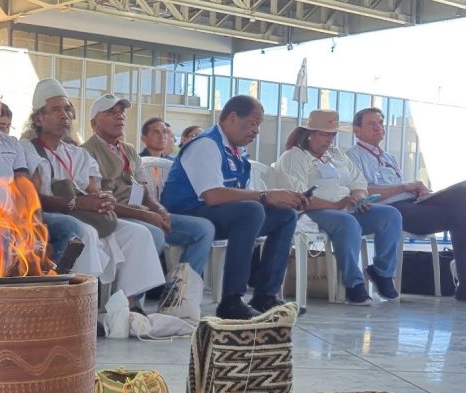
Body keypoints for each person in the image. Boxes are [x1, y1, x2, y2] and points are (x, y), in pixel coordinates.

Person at [23, 79, 164, 312]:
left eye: (67, 109)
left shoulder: (76, 154)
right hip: (51, 215)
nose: (64, 115)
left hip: (83, 213)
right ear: (38, 118)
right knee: (85, 233)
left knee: (138, 233)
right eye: (56, 110)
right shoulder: (28, 149)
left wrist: (103, 200)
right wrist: (78, 202)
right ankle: (83, 308)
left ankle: (127, 306)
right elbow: (34, 199)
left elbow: (93, 192)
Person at [161, 95, 303, 319]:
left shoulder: (236, 151)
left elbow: (245, 194)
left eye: (259, 125)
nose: (257, 131)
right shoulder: (206, 144)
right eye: (253, 123)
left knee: (285, 214)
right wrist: (266, 196)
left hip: (221, 215)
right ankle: (231, 300)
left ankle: (265, 295)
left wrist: (278, 199)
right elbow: (213, 195)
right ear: (233, 118)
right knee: (252, 211)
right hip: (188, 213)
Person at [0, 75, 87, 266]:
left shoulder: (11, 143)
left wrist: (33, 224)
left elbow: (24, 188)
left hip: (14, 217)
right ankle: (13, 282)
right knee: (4, 238)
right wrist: (7, 221)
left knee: (70, 226)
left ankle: (51, 278)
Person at [275, 109, 402, 304]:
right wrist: (336, 204)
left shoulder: (338, 155)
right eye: (324, 134)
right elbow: (298, 197)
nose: (329, 140)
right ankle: (353, 283)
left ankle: (382, 273)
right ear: (309, 134)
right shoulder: (294, 157)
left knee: (390, 215)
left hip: (345, 209)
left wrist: (359, 197)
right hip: (312, 211)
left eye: (333, 135)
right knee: (347, 221)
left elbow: (358, 182)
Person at [82, 93, 215, 278]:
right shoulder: (86, 152)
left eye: (121, 112)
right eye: (111, 113)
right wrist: (145, 215)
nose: (120, 116)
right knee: (153, 233)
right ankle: (133, 294)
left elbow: (143, 190)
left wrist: (159, 209)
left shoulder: (129, 150)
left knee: (203, 229)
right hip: (114, 216)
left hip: (141, 213)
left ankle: (178, 288)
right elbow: (100, 203)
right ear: (94, 123)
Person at [346, 107, 466, 300]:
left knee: (462, 213)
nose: (378, 127)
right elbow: (362, 191)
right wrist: (404, 187)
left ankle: (464, 287)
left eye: (380, 123)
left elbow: (399, 188)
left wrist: (416, 190)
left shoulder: (389, 157)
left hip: (411, 204)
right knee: (462, 193)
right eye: (371, 123)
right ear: (357, 130)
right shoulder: (352, 156)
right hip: (387, 209)